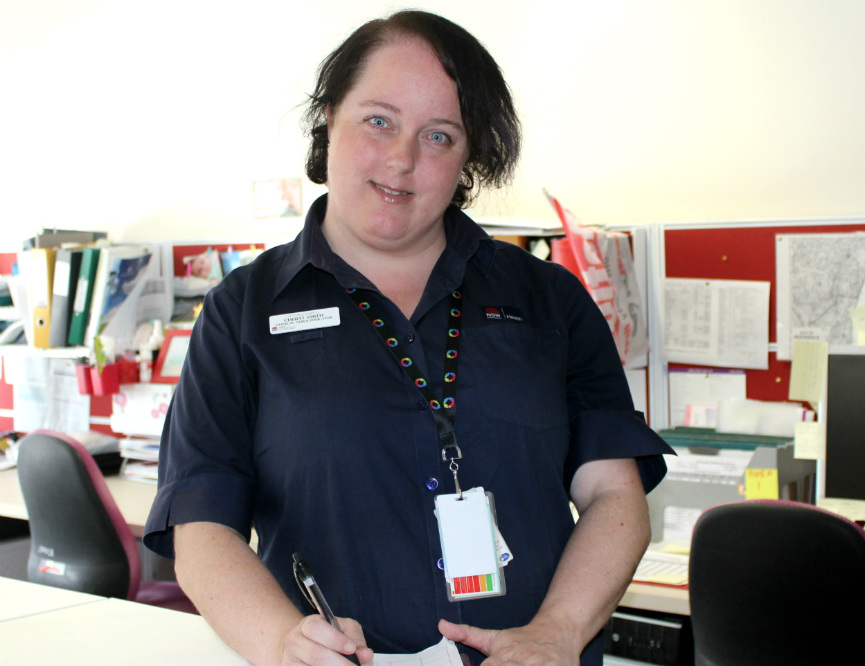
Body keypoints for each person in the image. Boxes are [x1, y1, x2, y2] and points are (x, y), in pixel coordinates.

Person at [143, 10, 672, 666]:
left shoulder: (548, 300)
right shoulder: (240, 314)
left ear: (468, 156)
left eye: (440, 136)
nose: (402, 160)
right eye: (379, 121)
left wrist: (560, 631)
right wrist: (282, 643)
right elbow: (202, 530)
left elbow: (614, 495)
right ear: (329, 116)